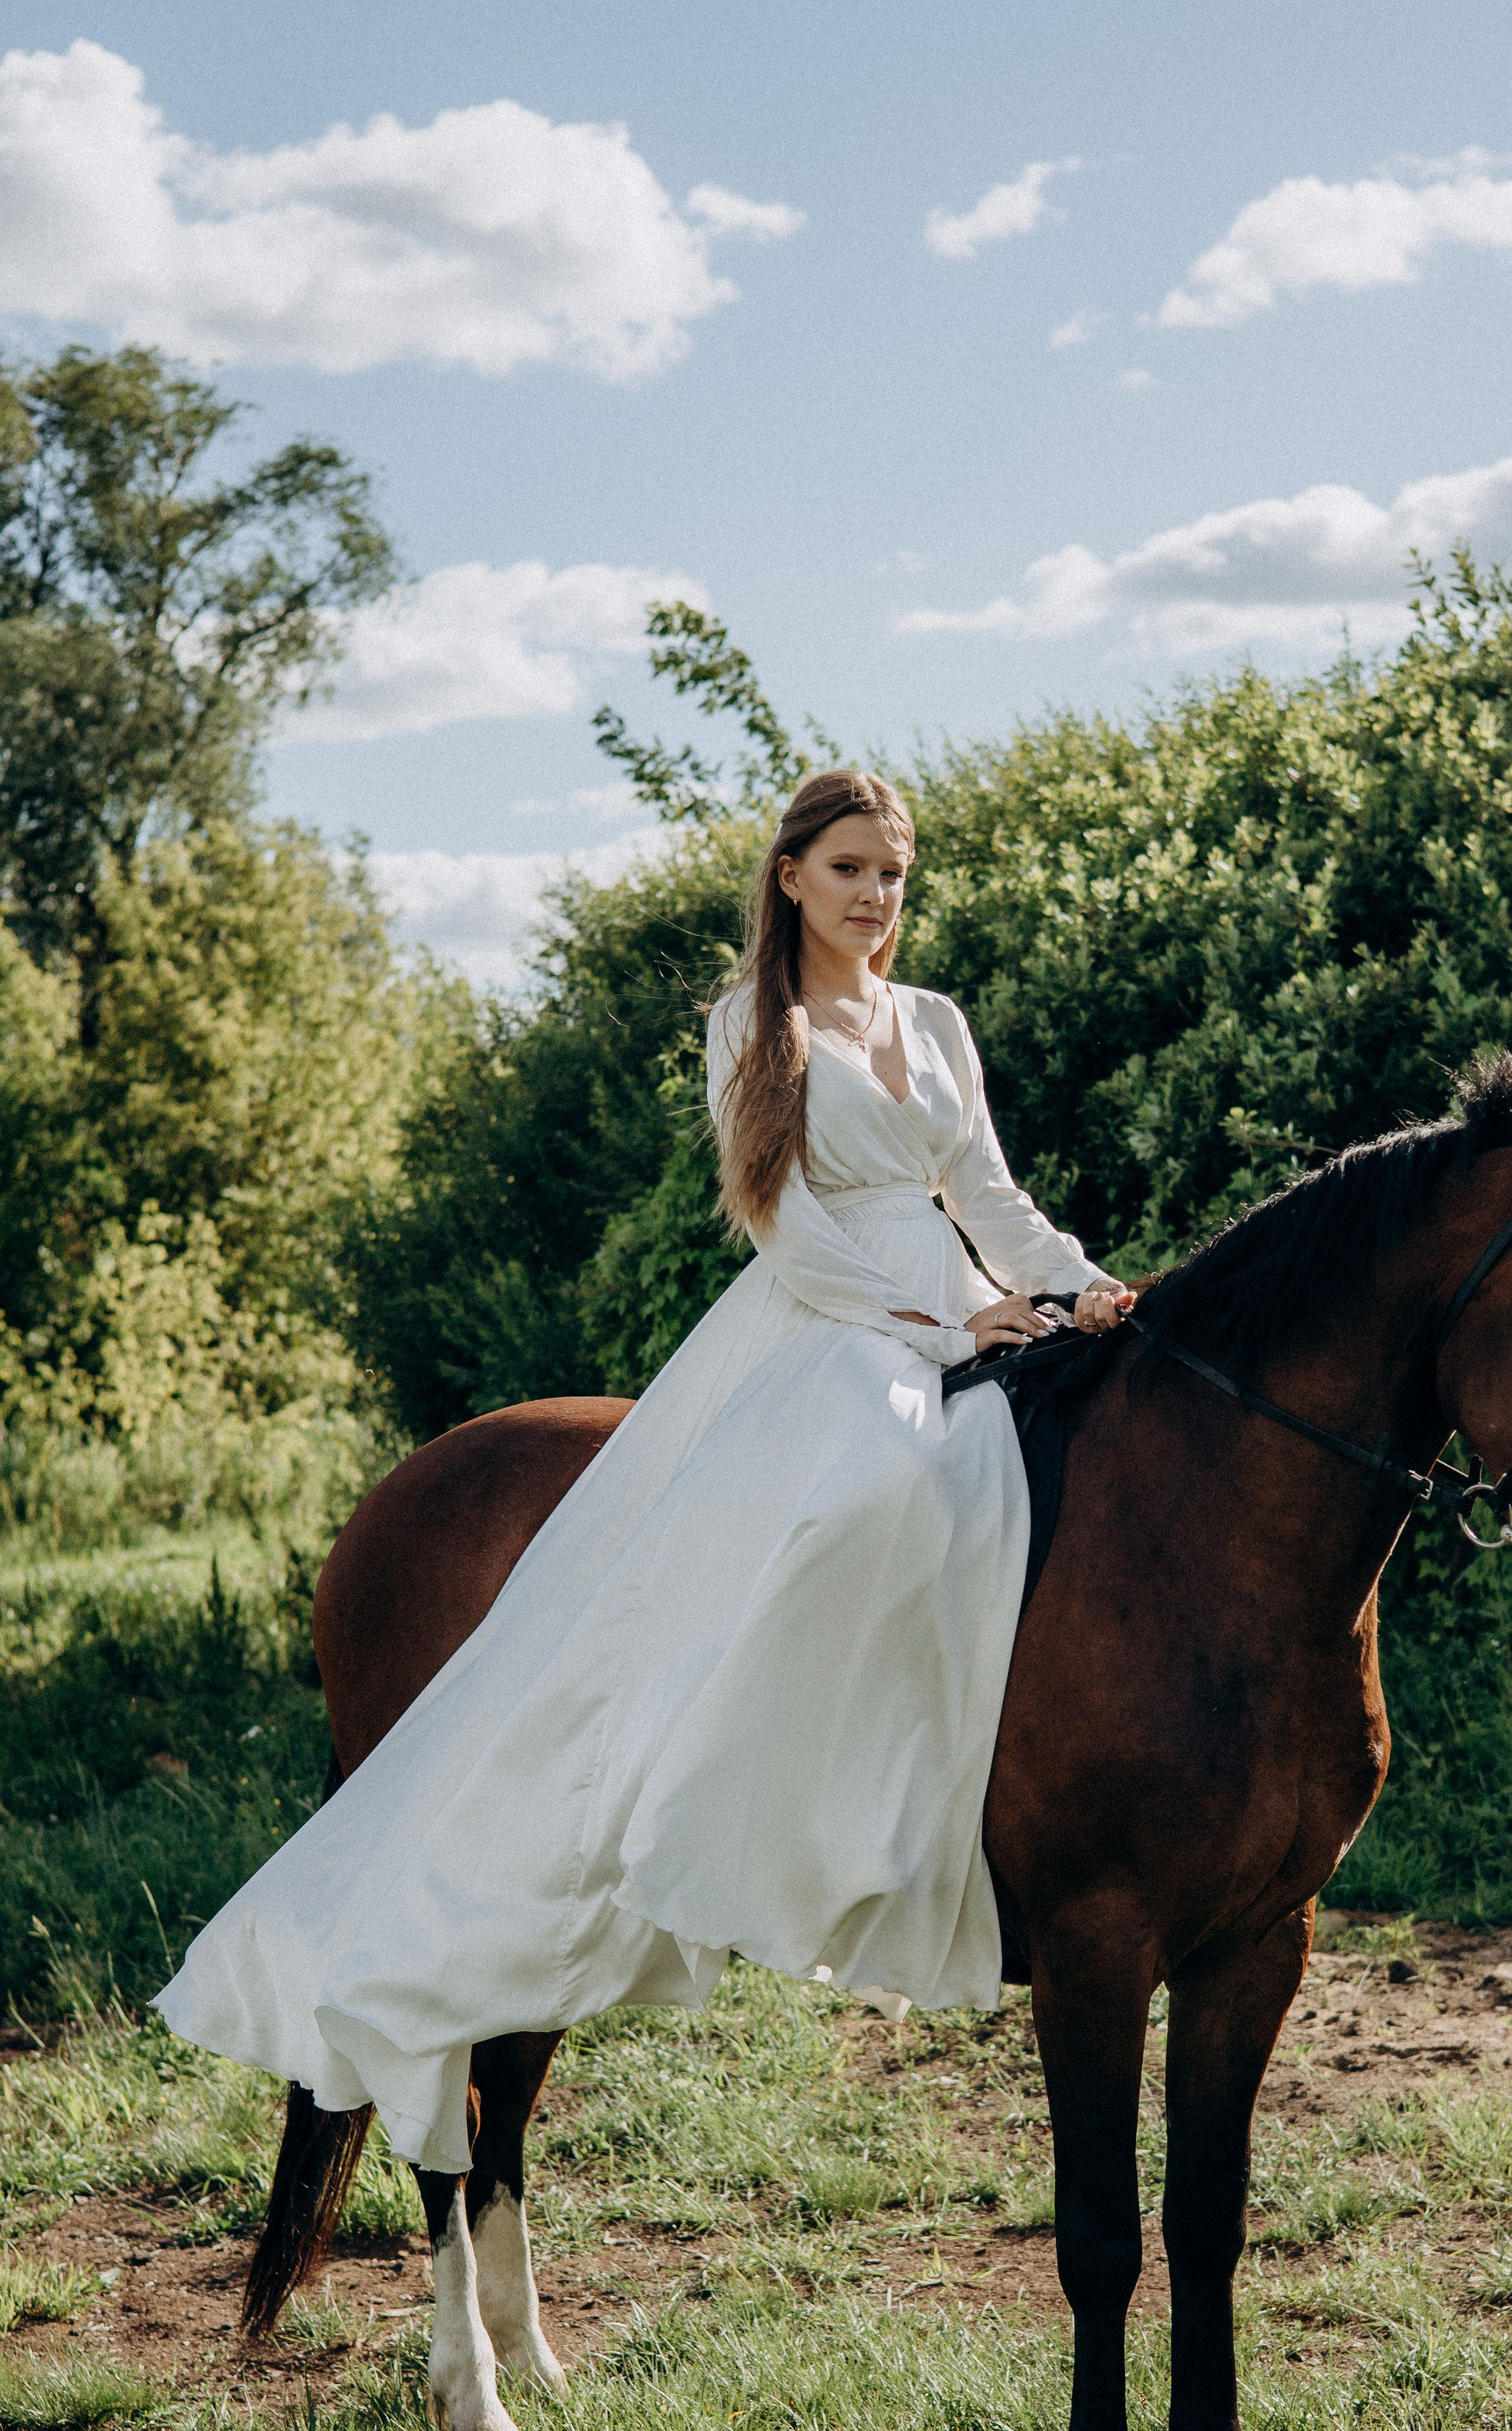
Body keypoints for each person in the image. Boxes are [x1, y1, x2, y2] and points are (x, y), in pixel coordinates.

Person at [155, 770, 1132, 2173]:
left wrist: (1084, 1289)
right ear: (791, 875)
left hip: (965, 1291)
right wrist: (940, 1323)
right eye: (850, 868)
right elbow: (786, 1226)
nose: (876, 897)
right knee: (882, 1491)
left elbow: (989, 1197)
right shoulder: (756, 1023)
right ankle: (793, 1798)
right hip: (837, 1319)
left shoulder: (935, 1023)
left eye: (895, 874)